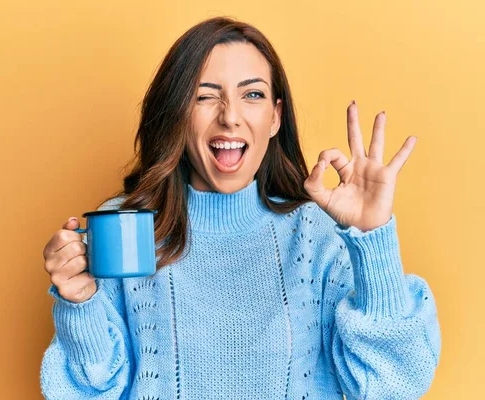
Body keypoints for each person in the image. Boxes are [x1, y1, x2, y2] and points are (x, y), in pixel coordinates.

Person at [39, 16, 441, 399]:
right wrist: (78, 303)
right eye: (205, 96)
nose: (230, 117)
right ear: (178, 113)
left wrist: (373, 240)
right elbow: (85, 392)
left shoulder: (317, 233)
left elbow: (393, 385)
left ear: (275, 117)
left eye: (252, 94)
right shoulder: (125, 229)